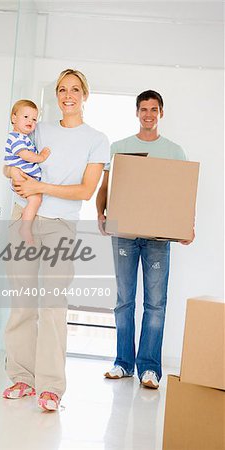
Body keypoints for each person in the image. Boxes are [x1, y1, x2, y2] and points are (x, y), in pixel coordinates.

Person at [2, 69, 110, 410]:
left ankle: (50, 387)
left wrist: (40, 187)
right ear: (56, 96)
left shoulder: (96, 139)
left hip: (62, 225)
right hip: (25, 219)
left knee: (51, 306)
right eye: (62, 89)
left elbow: (86, 190)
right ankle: (22, 378)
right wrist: (13, 173)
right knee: (22, 304)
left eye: (75, 89)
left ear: (85, 95)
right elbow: (10, 160)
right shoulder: (41, 128)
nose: (68, 95)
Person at [96, 90, 194, 389]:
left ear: (161, 112)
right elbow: (106, 186)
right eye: (143, 109)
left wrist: (187, 227)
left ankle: (149, 368)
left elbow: (182, 195)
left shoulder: (174, 151)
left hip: (158, 239)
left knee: (155, 304)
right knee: (124, 301)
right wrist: (100, 215)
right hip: (125, 235)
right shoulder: (120, 147)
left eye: (154, 109)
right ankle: (123, 363)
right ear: (137, 113)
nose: (148, 114)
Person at [4, 99, 51, 244]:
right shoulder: (16, 137)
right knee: (35, 200)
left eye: (34, 119)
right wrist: (41, 157)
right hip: (23, 179)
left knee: (34, 200)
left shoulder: (23, 137)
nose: (30, 121)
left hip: (26, 179)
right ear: (14, 118)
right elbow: (24, 155)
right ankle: (25, 227)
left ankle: (25, 217)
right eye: (26, 117)